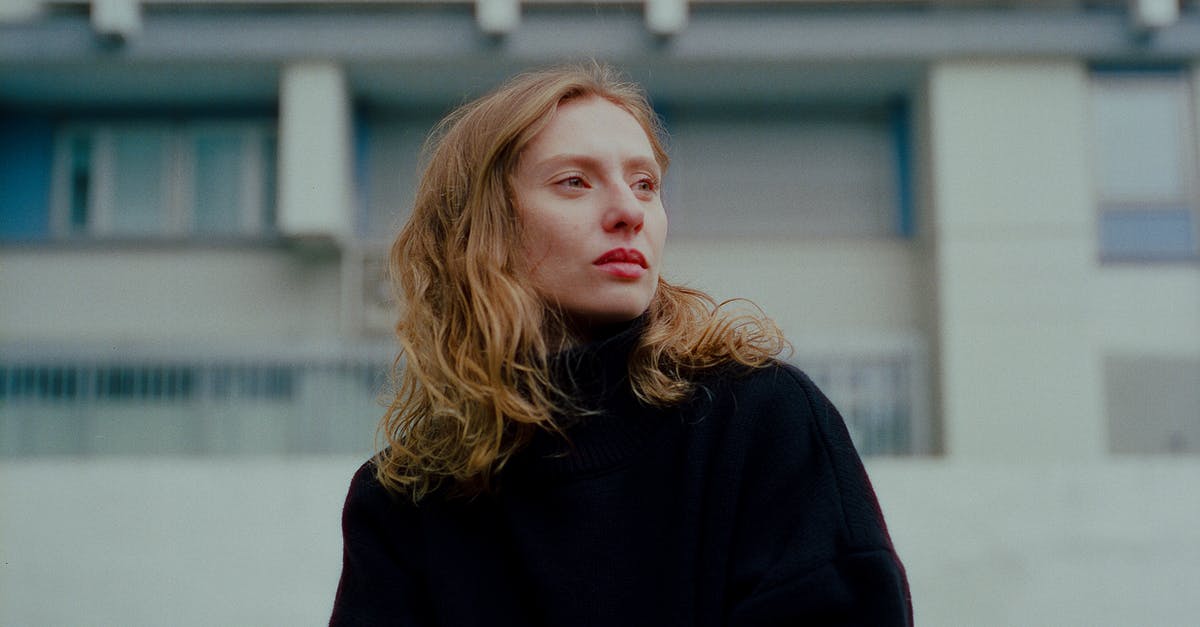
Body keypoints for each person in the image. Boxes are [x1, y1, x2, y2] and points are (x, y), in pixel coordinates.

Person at [330, 63, 912, 626]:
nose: (629, 212)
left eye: (644, 184)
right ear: (483, 227)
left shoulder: (764, 421)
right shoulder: (402, 499)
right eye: (574, 182)